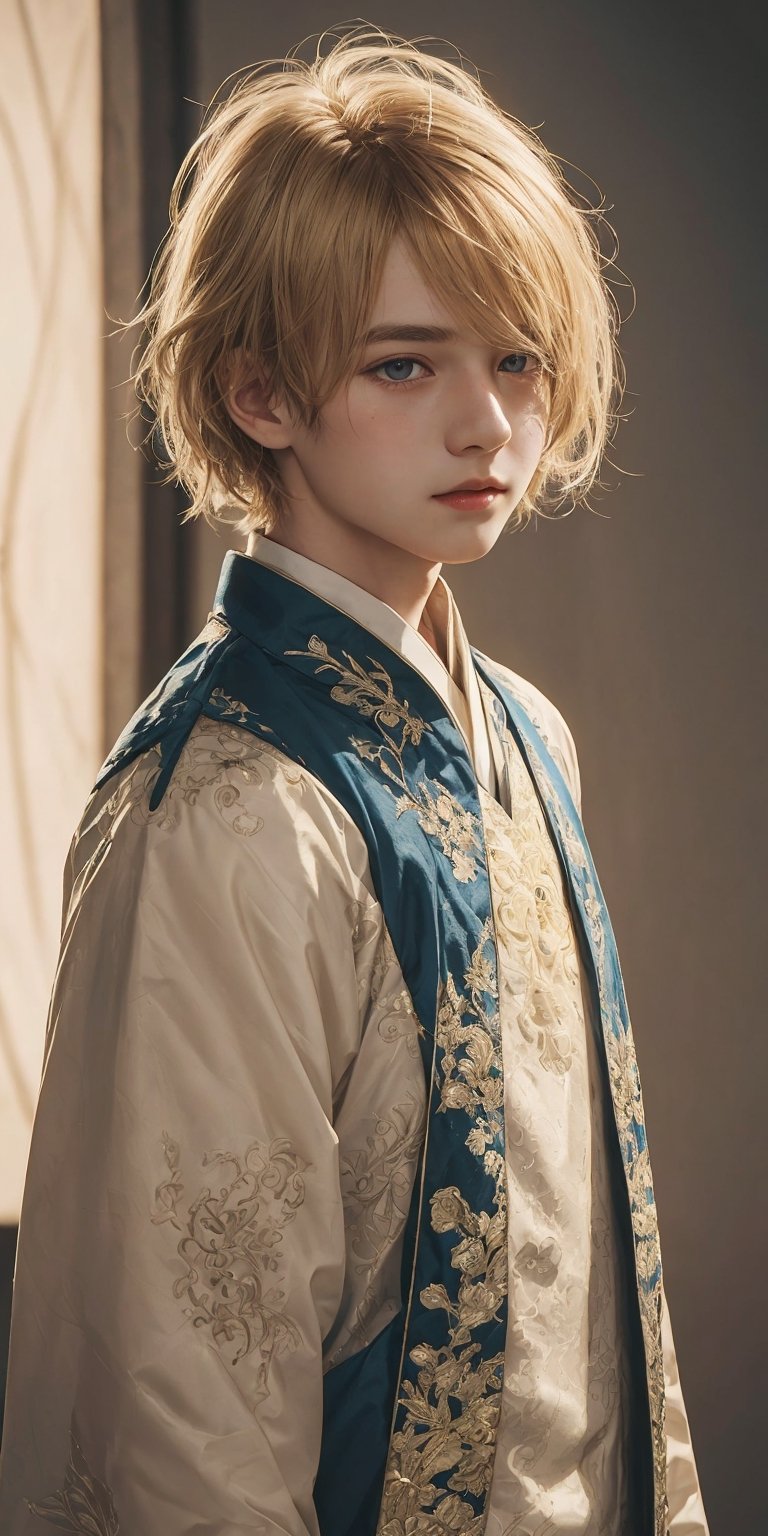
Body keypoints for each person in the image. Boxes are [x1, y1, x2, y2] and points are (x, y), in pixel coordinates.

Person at [0, 24, 709, 1536]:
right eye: (406, 364)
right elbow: (186, 1409)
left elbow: (596, 1317)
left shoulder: (521, 730)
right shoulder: (230, 809)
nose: (490, 423)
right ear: (261, 395)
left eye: (516, 357)